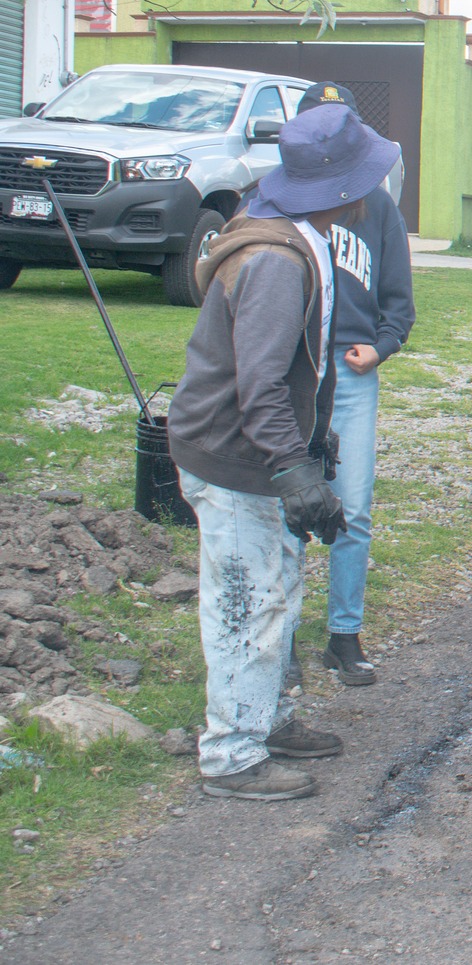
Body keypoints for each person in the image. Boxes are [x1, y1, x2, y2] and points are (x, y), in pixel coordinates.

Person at [168, 103, 399, 801]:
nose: (373, 190)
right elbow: (259, 380)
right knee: (247, 600)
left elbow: (293, 372)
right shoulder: (274, 259)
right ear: (339, 191)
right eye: (367, 177)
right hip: (231, 454)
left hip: (256, 448)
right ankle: (233, 752)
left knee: (276, 587)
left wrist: (311, 440)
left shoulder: (299, 236)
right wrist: (293, 470)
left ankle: (265, 718)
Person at [294, 82, 415, 687]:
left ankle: (344, 635)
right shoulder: (274, 203)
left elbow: (400, 306)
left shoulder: (379, 208)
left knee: (354, 508)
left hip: (350, 371)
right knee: (285, 504)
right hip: (295, 373)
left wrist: (383, 346)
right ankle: (282, 637)